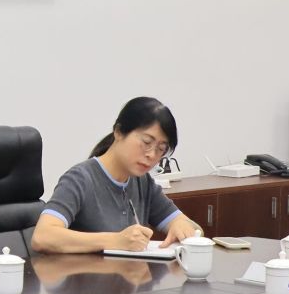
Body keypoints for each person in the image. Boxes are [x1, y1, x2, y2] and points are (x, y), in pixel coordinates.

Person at [31, 97, 201, 253]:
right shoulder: (80, 179)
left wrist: (181, 225)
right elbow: (43, 237)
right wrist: (115, 240)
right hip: (85, 276)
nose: (151, 155)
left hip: (131, 275)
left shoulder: (142, 182)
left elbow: (193, 228)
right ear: (119, 132)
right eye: (146, 142)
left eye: (161, 149)